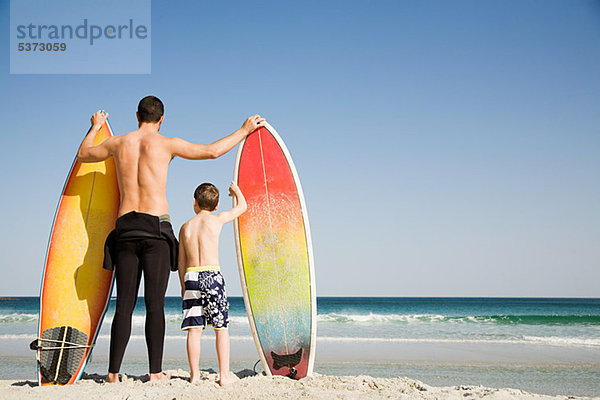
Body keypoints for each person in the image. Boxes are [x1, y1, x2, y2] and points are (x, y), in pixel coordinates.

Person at [76, 96, 264, 383]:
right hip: (156, 231)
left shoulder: (118, 144)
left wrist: (96, 126)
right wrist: (244, 130)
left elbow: (83, 154)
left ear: (136, 115)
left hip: (125, 228)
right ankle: (155, 373)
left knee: (124, 304)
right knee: (155, 304)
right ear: (161, 119)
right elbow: (212, 152)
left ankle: (113, 374)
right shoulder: (167, 144)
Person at [178, 182, 247, 386]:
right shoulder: (217, 219)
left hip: (191, 276)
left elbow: (181, 261)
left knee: (194, 329)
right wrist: (236, 191)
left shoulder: (185, 227)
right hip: (212, 275)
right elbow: (242, 207)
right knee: (221, 327)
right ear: (216, 206)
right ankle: (224, 375)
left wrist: (182, 284)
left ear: (194, 202)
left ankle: (194, 375)